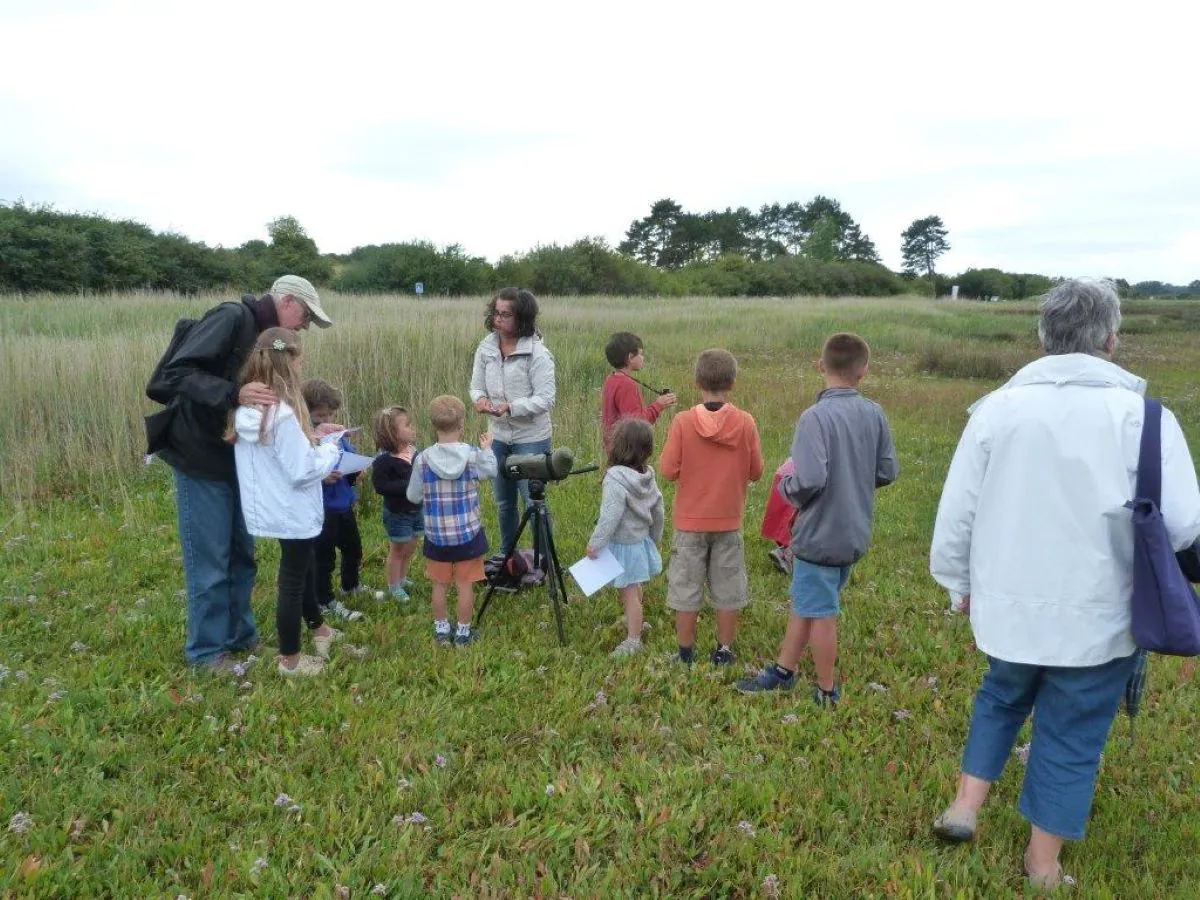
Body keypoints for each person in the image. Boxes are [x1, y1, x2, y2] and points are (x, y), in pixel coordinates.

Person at [928, 278, 1200, 889]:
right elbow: (1184, 526)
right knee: (1072, 731)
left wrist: (956, 579)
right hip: (1101, 613)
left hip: (1006, 604)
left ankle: (965, 807)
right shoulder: (1146, 418)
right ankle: (1042, 862)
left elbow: (959, 511)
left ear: (1044, 336)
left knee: (1000, 696)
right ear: (1110, 337)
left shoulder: (997, 409)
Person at [144, 274, 332, 671]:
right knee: (211, 558)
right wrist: (232, 393)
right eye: (306, 316)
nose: (304, 327)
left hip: (237, 462)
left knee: (242, 554)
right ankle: (207, 653)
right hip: (200, 457)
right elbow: (175, 375)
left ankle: (242, 637)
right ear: (286, 301)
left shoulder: (266, 340)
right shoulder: (231, 317)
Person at [736, 333, 898, 705]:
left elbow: (808, 479)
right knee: (808, 601)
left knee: (822, 612)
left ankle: (827, 690)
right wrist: (855, 479)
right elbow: (887, 470)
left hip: (819, 535)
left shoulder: (815, 418)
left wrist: (785, 488)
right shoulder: (874, 413)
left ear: (820, 365)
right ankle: (783, 670)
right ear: (864, 371)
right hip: (854, 530)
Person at [230, 328, 346, 677]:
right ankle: (291, 660)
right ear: (289, 362)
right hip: (292, 507)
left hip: (271, 505)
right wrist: (330, 448)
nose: (302, 365)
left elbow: (278, 455)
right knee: (293, 580)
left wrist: (311, 436)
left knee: (304, 564)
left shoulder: (249, 411)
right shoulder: (281, 414)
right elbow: (301, 469)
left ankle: (320, 629)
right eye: (300, 360)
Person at [660, 349, 764, 666]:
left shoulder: (683, 421)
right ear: (732, 383)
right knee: (728, 586)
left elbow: (667, 469)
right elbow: (757, 471)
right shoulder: (745, 422)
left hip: (689, 522)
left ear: (697, 382)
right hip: (729, 521)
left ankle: (685, 654)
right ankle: (723, 650)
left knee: (686, 586)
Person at [469, 287, 556, 555]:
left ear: (523, 317)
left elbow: (546, 399)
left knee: (532, 501)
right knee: (504, 502)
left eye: (506, 314)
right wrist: (480, 400)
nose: (498, 319)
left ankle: (543, 559)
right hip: (498, 437)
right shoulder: (486, 348)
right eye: (496, 313)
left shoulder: (539, 354)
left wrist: (512, 408)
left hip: (531, 438)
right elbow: (475, 387)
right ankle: (508, 555)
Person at [406, 395, 498, 647]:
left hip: (436, 535)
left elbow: (412, 496)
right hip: (468, 533)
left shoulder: (422, 459)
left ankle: (441, 629)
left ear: (433, 426)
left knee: (439, 585)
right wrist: (487, 449)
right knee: (465, 585)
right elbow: (491, 472)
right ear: (462, 425)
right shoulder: (471, 455)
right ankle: (463, 633)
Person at [586, 418, 666, 658]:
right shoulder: (647, 476)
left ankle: (633, 640)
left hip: (624, 545)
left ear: (617, 446)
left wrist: (595, 544)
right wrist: (655, 538)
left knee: (629, 592)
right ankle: (637, 622)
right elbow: (659, 510)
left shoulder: (615, 478)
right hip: (640, 542)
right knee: (634, 586)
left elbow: (609, 516)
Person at [302, 379, 365, 623]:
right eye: (319, 416)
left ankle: (350, 585)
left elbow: (347, 455)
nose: (326, 420)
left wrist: (356, 470)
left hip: (344, 502)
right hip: (322, 507)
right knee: (324, 557)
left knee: (353, 548)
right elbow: (301, 470)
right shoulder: (302, 436)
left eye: (329, 414)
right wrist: (322, 477)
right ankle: (324, 599)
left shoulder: (336, 434)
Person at [371, 405, 423, 604]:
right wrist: (409, 486)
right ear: (392, 433)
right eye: (408, 425)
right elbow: (381, 486)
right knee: (398, 549)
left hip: (417, 509)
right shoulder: (384, 460)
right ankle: (394, 586)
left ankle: (402, 578)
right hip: (398, 512)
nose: (413, 428)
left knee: (410, 547)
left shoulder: (415, 452)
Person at [601, 332, 677, 448]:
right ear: (630, 357)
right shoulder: (627, 385)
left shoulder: (611, 379)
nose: (643, 358)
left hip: (615, 448)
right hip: (627, 451)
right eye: (640, 354)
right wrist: (659, 405)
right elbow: (637, 425)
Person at [760, 457, 799, 575]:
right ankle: (788, 554)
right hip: (798, 481)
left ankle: (785, 551)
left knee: (787, 521)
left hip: (786, 473)